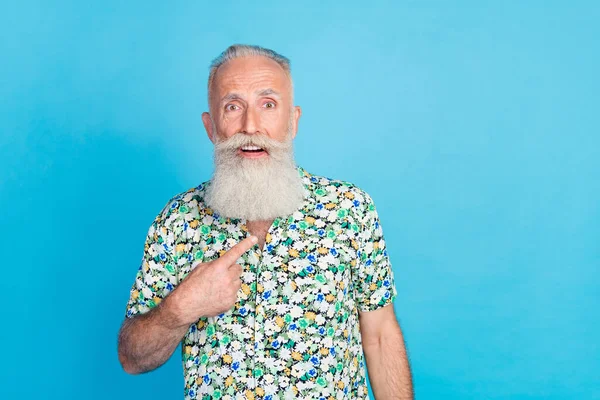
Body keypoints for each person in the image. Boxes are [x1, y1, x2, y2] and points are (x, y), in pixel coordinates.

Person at [117, 44, 413, 400]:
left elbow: (380, 335)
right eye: (232, 107)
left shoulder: (350, 210)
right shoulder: (178, 221)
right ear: (211, 126)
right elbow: (132, 359)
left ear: (293, 121)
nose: (251, 126)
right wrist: (183, 306)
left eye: (268, 105)